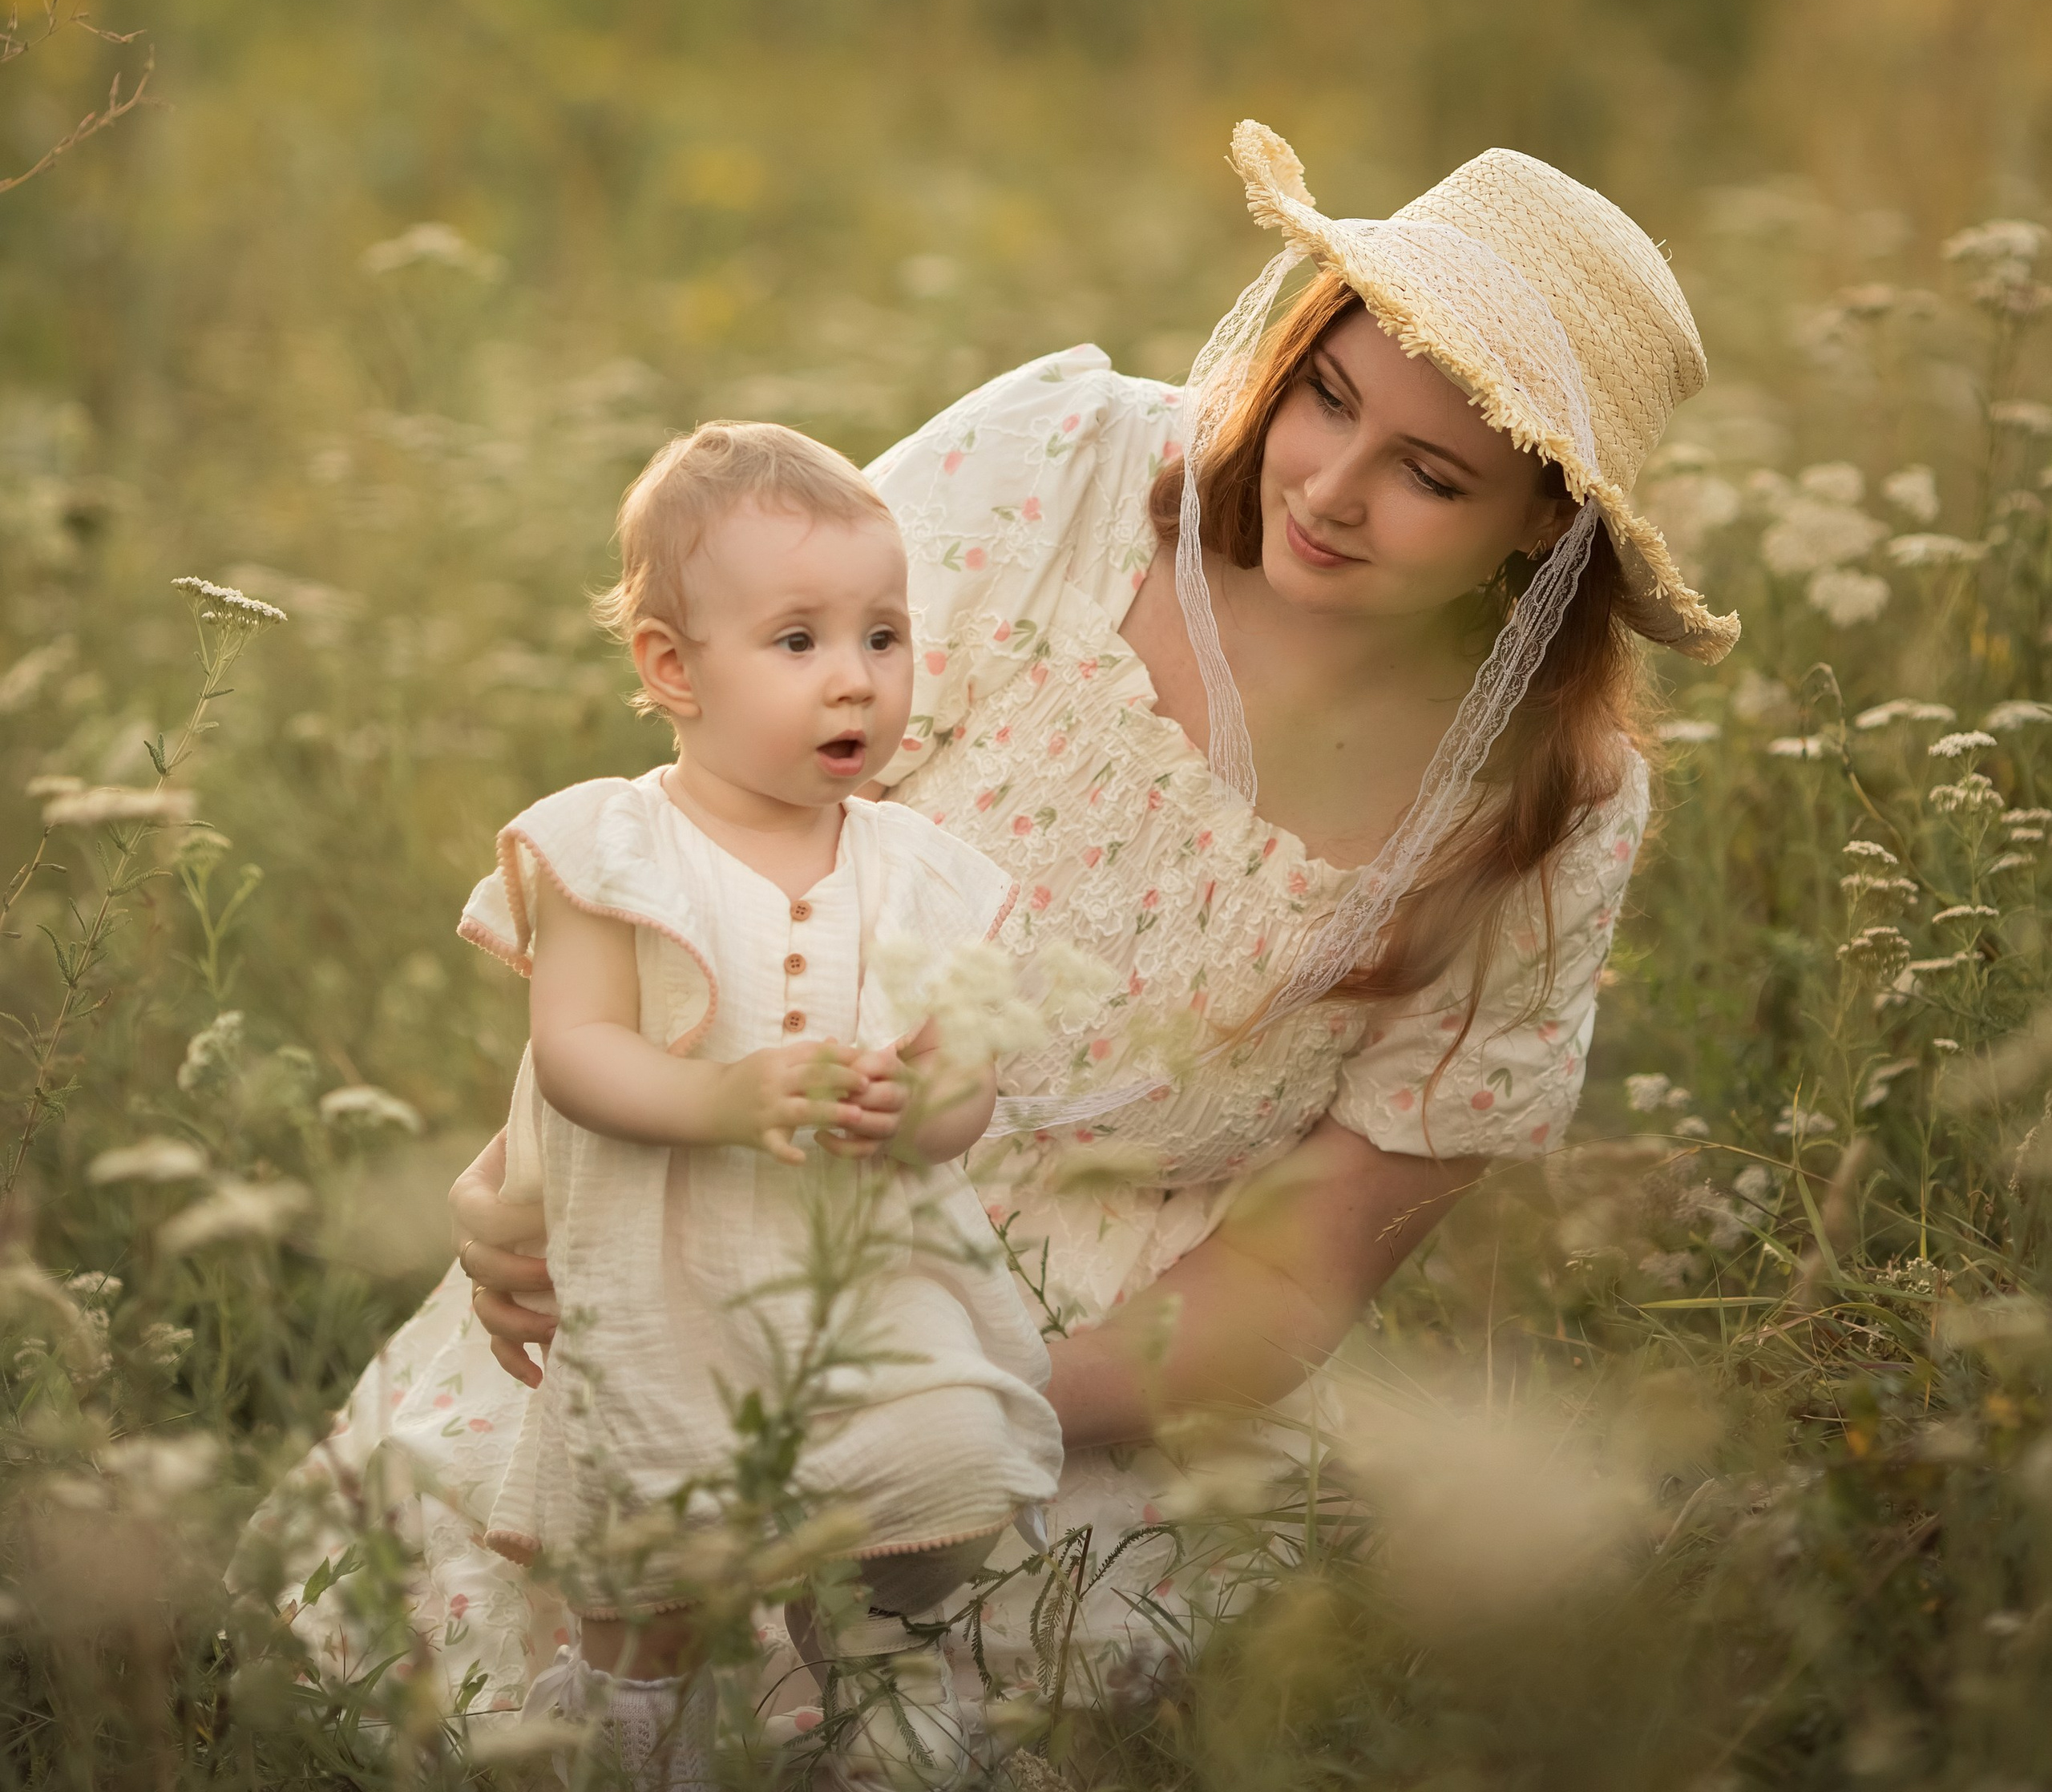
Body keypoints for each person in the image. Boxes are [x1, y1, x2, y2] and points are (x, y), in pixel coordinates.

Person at [266, 125, 1737, 1728]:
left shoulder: (1541, 806)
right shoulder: (1063, 471)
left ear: (1542, 526)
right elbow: (705, 834)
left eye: (1429, 476)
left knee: (873, 1693)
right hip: (734, 1189)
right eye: (1325, 396)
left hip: (1084, 1370)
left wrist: (931, 1406)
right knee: (496, 1633)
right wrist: (540, 1178)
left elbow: (1294, 1278)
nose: (1328, 488)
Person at [446, 420, 1064, 1789]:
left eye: (884, 636)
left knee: (934, 1470)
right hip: (669, 1287)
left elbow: (964, 1082)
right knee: (661, 1562)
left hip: (865, 1284)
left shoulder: (920, 871)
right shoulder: (615, 849)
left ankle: (882, 1673)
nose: (857, 678)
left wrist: (918, 1105)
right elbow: (578, 1053)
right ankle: (636, 1732)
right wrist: (721, 1096)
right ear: (674, 667)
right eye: (799, 641)